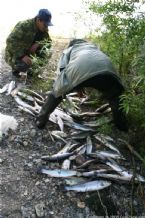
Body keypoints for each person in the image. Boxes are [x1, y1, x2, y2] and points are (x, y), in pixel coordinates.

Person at [36, 39, 128, 132]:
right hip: (107, 70)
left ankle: (41, 121)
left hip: (80, 68)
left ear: (71, 45)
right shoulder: (93, 47)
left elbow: (62, 70)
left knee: (56, 93)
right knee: (115, 96)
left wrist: (59, 89)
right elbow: (93, 67)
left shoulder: (70, 49)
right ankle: (121, 126)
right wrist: (78, 86)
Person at [5, 9, 53, 78]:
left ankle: (31, 70)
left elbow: (48, 42)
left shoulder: (43, 29)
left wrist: (38, 44)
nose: (46, 27)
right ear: (38, 20)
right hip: (15, 53)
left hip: (29, 53)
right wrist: (22, 56)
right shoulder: (23, 26)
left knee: (47, 51)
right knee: (23, 65)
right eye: (45, 24)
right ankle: (16, 69)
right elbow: (10, 41)